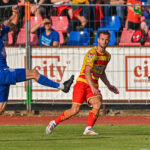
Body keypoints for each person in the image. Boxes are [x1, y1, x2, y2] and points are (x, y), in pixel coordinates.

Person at [46, 30, 119, 135]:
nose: (104, 41)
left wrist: (109, 85)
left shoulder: (107, 56)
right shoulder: (92, 53)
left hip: (92, 85)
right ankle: (53, 122)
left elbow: (101, 72)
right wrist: (93, 87)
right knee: (74, 110)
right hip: (82, 83)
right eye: (102, 39)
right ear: (98, 40)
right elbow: (87, 71)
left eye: (106, 39)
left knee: (97, 103)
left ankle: (88, 128)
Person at [0, 18, 74, 114]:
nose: (2, 29)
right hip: (3, 73)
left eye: (1, 27)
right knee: (34, 73)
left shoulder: (1, 32)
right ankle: (62, 86)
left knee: (1, 108)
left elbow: (12, 27)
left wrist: (15, 14)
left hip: (4, 73)